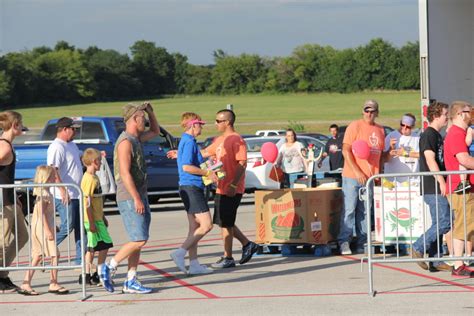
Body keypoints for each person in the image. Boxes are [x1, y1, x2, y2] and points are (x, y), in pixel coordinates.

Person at [101, 102, 159, 294]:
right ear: (135, 119)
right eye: (143, 117)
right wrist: (136, 198)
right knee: (139, 239)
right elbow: (125, 174)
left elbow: (156, 131)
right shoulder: (125, 142)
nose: (146, 121)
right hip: (129, 195)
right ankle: (109, 267)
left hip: (139, 194)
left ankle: (131, 280)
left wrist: (150, 111)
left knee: (137, 238)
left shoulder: (136, 138)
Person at [204, 109, 258, 269]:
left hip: (232, 188)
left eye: (218, 121)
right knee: (224, 222)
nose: (215, 124)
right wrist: (182, 153)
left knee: (227, 222)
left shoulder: (237, 140)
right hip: (221, 187)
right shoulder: (220, 139)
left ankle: (234, 253)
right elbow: (205, 153)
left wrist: (234, 184)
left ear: (227, 122)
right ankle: (239, 249)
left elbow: (242, 163)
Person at [170, 113, 217, 275]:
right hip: (191, 187)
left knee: (194, 228)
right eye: (200, 124)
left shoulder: (187, 141)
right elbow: (187, 167)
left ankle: (194, 263)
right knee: (206, 225)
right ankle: (180, 252)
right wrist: (207, 173)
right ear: (192, 125)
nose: (201, 127)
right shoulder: (189, 142)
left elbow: (188, 160)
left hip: (187, 186)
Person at [338, 100, 385, 255]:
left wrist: (389, 154)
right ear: (363, 111)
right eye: (366, 110)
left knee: (365, 211)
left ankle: (363, 242)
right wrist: (357, 171)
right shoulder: (355, 126)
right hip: (352, 176)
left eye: (372, 111)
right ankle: (344, 240)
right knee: (350, 209)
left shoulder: (380, 130)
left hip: (369, 178)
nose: (369, 113)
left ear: (377, 112)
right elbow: (346, 150)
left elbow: (379, 156)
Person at [411, 101, 452, 273]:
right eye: (445, 115)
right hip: (432, 186)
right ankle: (418, 247)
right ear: (436, 116)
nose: (447, 118)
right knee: (445, 221)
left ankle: (435, 259)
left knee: (439, 221)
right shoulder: (428, 135)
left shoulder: (437, 135)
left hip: (436, 185)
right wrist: (441, 181)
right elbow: (430, 159)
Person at [19, 165, 69, 296]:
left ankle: (26, 282)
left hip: (42, 226)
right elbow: (41, 214)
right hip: (42, 228)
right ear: (46, 178)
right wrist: (48, 230)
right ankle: (53, 282)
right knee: (54, 255)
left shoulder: (45, 192)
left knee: (38, 255)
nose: (55, 178)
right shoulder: (44, 194)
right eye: (53, 176)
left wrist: (53, 225)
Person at [46, 117, 84, 266]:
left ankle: (81, 260)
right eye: (73, 129)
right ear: (64, 129)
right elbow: (53, 170)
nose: (75, 132)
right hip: (65, 195)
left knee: (81, 228)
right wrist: (62, 190)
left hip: (77, 193)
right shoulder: (57, 147)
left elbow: (80, 157)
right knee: (68, 225)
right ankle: (45, 249)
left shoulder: (71, 145)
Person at [443, 100, 474, 277]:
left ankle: (459, 262)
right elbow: (463, 159)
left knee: (464, 223)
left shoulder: (458, 133)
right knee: (463, 224)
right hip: (460, 187)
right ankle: (458, 263)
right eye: (469, 112)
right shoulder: (456, 134)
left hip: (463, 187)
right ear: (461, 114)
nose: (471, 115)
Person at [0, 111, 28, 293]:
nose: (22, 126)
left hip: (11, 198)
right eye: (21, 123)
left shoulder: (7, 145)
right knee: (2, 241)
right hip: (3, 202)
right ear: (15, 124)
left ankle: (2, 275)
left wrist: (16, 195)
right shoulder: (5, 147)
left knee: (22, 236)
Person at [80, 148, 113, 286]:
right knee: (104, 245)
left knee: (92, 248)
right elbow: (86, 204)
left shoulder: (95, 177)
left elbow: (97, 201)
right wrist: (92, 222)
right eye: (99, 161)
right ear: (94, 162)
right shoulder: (88, 179)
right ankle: (99, 273)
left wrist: (103, 216)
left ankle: (88, 275)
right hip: (92, 220)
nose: (101, 163)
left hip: (98, 217)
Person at [383, 113, 420, 182]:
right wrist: (391, 148)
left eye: (408, 127)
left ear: (413, 127)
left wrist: (405, 153)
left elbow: (422, 155)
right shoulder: (390, 137)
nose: (404, 128)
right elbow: (384, 159)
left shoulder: (417, 138)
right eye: (402, 125)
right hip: (393, 182)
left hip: (412, 181)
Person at [455, 126, 473, 193]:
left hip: (472, 152)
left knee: (462, 164)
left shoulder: (471, 129)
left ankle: (463, 183)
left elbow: (468, 142)